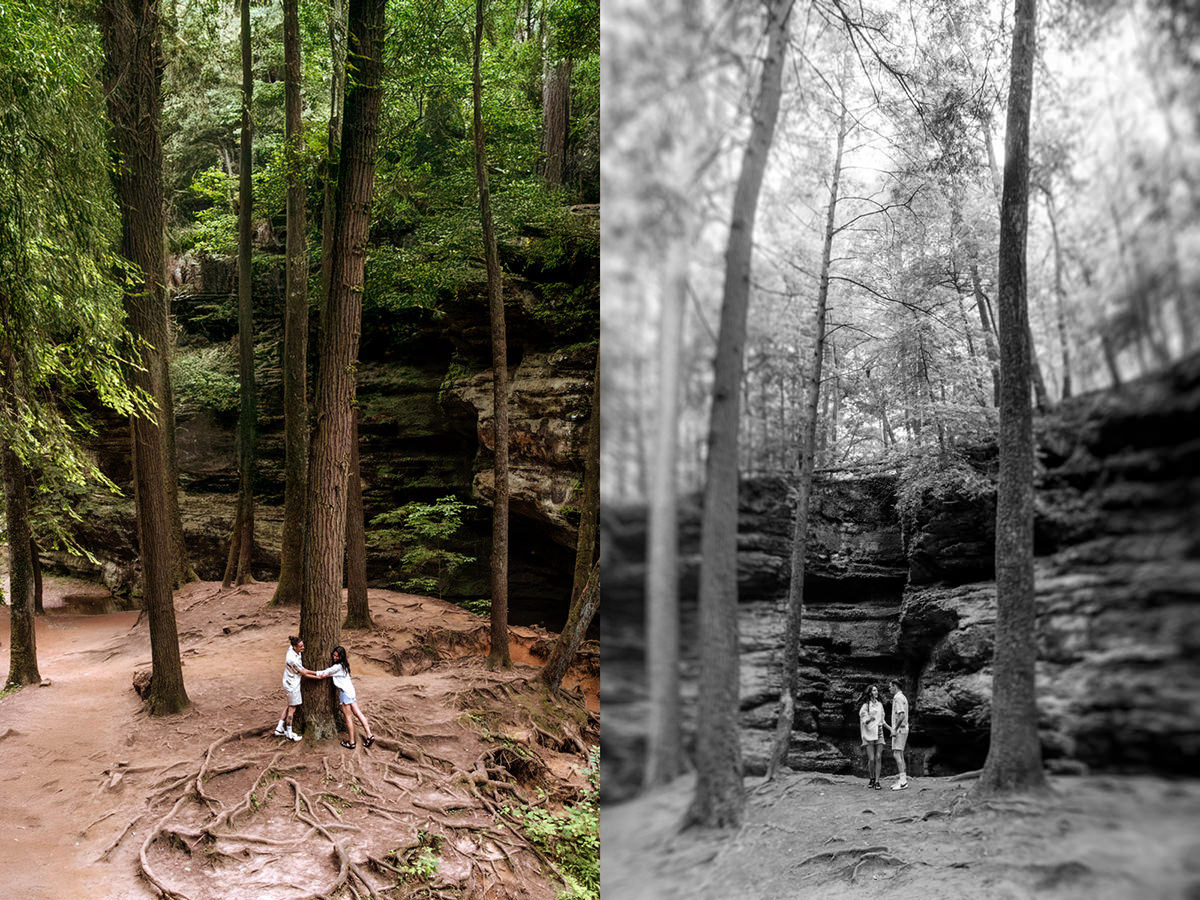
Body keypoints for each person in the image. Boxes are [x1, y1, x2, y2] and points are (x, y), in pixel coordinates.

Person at [313, 645, 375, 750]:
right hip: (351, 692)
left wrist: (306, 672)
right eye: (334, 655)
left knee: (348, 717)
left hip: (345, 694)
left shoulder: (337, 667)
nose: (334, 658)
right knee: (358, 713)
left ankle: (351, 742)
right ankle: (369, 735)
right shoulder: (344, 665)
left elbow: (323, 673)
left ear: (341, 657)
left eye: (337, 656)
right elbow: (329, 674)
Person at [274, 635, 323, 741]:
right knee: (292, 708)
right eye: (300, 646)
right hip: (292, 685)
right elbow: (304, 673)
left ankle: (279, 727)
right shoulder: (292, 660)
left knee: (290, 705)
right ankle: (289, 733)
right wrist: (318, 675)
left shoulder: (292, 649)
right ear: (294, 647)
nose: (303, 648)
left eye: (303, 645)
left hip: (290, 681)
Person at [883, 678, 910, 790]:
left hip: (900, 730)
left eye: (890, 686)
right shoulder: (902, 696)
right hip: (903, 729)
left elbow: (901, 715)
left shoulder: (897, 697)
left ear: (895, 686)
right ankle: (902, 779)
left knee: (896, 754)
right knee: (900, 754)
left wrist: (894, 729)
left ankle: (903, 782)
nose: (889, 688)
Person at [858, 684, 885, 789]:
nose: (876, 692)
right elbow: (863, 719)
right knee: (872, 759)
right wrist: (870, 718)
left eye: (877, 690)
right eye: (874, 690)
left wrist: (891, 729)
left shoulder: (880, 705)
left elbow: (882, 720)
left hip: (879, 731)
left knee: (878, 757)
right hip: (869, 733)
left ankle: (877, 781)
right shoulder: (865, 706)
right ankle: (872, 777)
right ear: (870, 693)